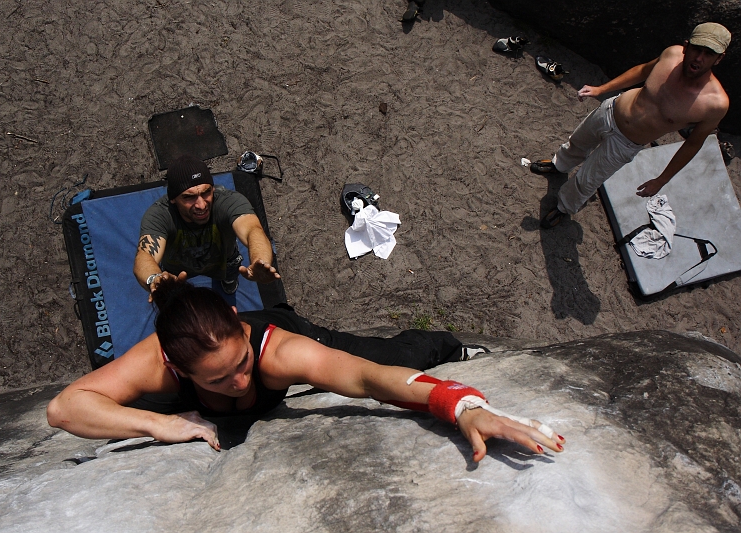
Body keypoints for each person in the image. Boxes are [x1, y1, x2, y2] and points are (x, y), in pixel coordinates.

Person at [47, 279, 566, 463]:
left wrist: (461, 405)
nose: (239, 382)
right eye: (217, 380)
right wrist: (158, 423)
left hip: (294, 331)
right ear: (174, 365)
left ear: (237, 320)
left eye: (240, 364)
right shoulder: (155, 364)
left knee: (391, 358)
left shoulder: (277, 353)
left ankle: (449, 343)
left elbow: (367, 380)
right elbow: (64, 409)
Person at [532, 22, 731, 229]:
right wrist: (601, 89)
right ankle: (559, 164)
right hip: (611, 110)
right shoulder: (671, 54)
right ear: (686, 46)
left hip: (625, 144)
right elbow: (642, 71)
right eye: (697, 49)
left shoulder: (715, 104)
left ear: (719, 58)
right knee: (576, 142)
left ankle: (564, 207)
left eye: (709, 54)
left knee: (587, 181)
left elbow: (693, 144)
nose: (699, 58)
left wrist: (661, 180)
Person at [133, 154, 280, 295]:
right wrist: (155, 280)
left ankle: (228, 280)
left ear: (213, 188)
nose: (201, 205)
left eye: (206, 192)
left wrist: (261, 261)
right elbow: (145, 255)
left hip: (225, 260)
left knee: (231, 271)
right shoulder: (159, 215)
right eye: (189, 197)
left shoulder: (229, 201)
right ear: (173, 199)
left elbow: (253, 230)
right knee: (173, 286)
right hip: (178, 270)